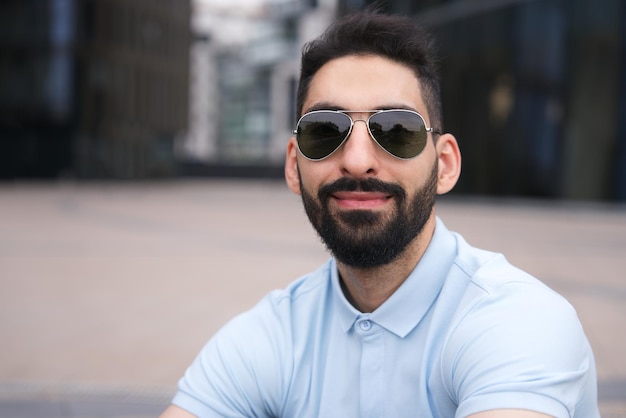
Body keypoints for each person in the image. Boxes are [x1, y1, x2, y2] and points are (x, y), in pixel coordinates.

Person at [161, 11, 599, 418]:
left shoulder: (518, 321)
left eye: (396, 130)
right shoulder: (271, 336)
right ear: (295, 166)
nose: (356, 161)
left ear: (444, 164)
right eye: (325, 130)